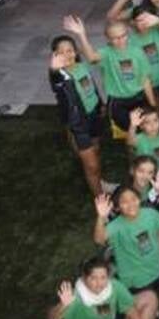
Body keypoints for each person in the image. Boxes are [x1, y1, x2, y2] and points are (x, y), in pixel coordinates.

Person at [93, 187, 159, 319]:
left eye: (133, 198)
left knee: (158, 291)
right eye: (124, 202)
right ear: (117, 208)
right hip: (134, 282)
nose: (130, 204)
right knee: (147, 303)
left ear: (140, 199)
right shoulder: (116, 226)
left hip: (157, 272)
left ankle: (145, 312)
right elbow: (99, 239)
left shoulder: (151, 214)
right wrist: (101, 217)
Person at [65, 15, 156, 134]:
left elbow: (145, 79)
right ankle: (131, 146)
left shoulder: (137, 52)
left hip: (138, 97)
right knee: (130, 129)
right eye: (115, 38)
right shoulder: (106, 53)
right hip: (118, 102)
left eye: (123, 36)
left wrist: (152, 103)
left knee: (145, 127)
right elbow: (91, 58)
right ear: (108, 38)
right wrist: (82, 34)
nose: (120, 40)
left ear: (127, 34)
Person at [49, 30, 108, 197]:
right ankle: (101, 199)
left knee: (96, 150)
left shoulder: (82, 66)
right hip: (78, 123)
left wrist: (100, 103)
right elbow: (55, 79)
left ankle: (99, 183)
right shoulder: (60, 76)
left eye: (70, 50)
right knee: (92, 166)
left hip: (94, 115)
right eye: (61, 52)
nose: (67, 55)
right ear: (55, 55)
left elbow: (91, 85)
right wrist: (53, 70)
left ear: (75, 51)